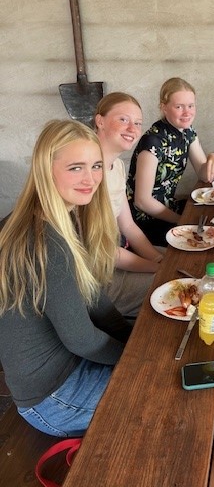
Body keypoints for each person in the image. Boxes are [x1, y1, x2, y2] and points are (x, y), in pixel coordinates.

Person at [0, 120, 132, 437]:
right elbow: (81, 339)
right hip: (54, 399)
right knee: (165, 392)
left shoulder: (58, 217)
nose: (91, 179)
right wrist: (135, 359)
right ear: (46, 170)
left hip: (69, 370)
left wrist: (134, 340)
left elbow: (95, 299)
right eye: (76, 168)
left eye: (96, 165)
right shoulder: (46, 239)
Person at [127, 77, 214, 245]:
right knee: (205, 238)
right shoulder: (153, 141)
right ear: (164, 108)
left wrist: (213, 157)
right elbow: (142, 201)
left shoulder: (187, 132)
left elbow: (204, 174)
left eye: (191, 106)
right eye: (179, 107)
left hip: (168, 207)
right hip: (145, 220)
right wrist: (181, 220)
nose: (187, 112)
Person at [95, 92, 163, 318]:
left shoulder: (117, 166)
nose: (132, 129)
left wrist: (157, 259)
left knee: (187, 262)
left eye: (138, 123)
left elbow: (128, 226)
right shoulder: (88, 175)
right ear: (100, 121)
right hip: (99, 279)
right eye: (123, 119)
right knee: (178, 282)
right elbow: (102, 252)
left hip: (118, 254)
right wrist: (157, 267)